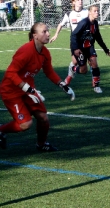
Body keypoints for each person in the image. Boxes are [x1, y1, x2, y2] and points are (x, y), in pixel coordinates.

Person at [0, 22, 75, 151]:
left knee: (43, 118)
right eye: (44, 32)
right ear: (35, 35)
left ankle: (41, 144)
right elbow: (11, 73)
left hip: (28, 90)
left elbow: (49, 71)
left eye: (48, 31)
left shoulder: (45, 53)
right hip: (11, 91)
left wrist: (63, 85)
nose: (48, 34)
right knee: (25, 124)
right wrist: (27, 88)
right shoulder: (26, 51)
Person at [70, 5, 110, 93]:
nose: (97, 13)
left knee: (94, 63)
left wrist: (106, 49)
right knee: (83, 70)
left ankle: (96, 86)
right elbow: (74, 35)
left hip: (90, 47)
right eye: (95, 11)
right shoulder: (83, 23)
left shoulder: (95, 23)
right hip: (81, 48)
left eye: (97, 11)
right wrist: (75, 49)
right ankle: (73, 69)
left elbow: (98, 38)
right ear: (89, 12)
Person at [50, 0, 88, 85]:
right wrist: (56, 35)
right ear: (73, 2)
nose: (80, 1)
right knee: (78, 64)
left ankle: (73, 72)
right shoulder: (69, 14)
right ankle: (70, 76)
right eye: (78, 0)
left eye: (81, 0)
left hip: (86, 42)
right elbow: (60, 24)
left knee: (83, 69)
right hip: (75, 42)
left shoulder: (86, 12)